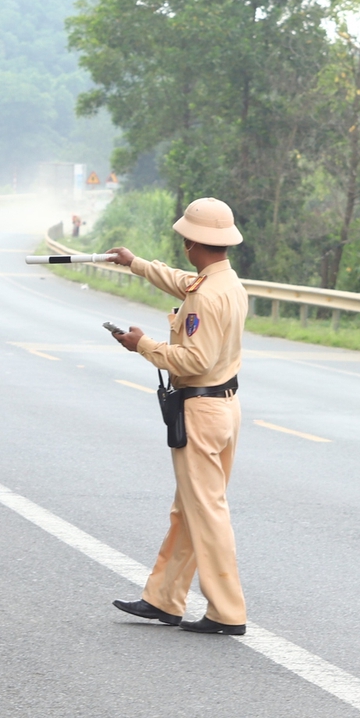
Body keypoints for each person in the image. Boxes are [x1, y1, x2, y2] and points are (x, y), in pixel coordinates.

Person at [100, 197, 250, 635]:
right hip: (224, 408)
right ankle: (163, 599)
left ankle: (226, 611)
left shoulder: (205, 298)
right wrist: (137, 264)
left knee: (207, 512)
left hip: (201, 410)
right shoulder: (227, 284)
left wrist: (142, 345)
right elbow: (185, 282)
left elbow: (191, 360)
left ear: (191, 243)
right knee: (190, 510)